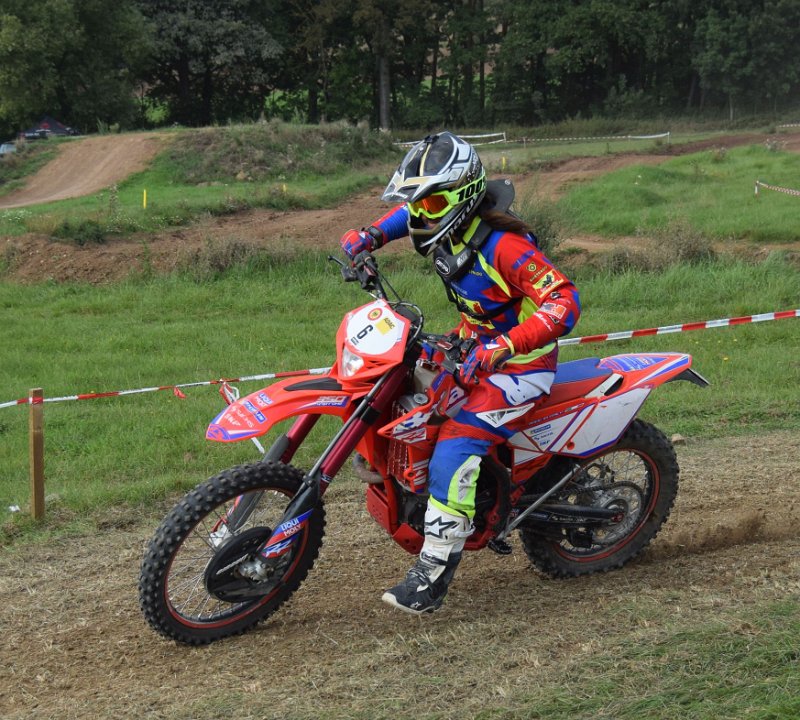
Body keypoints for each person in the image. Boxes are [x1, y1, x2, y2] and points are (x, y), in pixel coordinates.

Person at [339, 131, 581, 615]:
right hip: (470, 344)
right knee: (406, 398)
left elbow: (564, 301)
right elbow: (407, 216)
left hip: (519, 366)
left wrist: (504, 346)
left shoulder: (505, 247)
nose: (421, 215)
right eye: (420, 204)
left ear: (464, 197)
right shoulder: (449, 225)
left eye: (432, 204)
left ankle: (433, 574)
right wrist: (371, 236)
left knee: (454, 445)